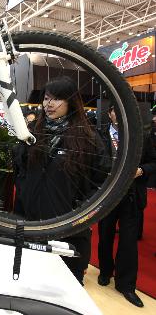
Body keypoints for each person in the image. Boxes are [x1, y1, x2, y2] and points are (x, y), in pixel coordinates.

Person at [13, 76, 110, 285]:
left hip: (69, 230)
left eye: (56, 99)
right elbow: (19, 169)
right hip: (31, 226)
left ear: (71, 102)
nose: (49, 104)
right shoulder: (33, 134)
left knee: (66, 289)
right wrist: (24, 194)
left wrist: (81, 211)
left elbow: (101, 181)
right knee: (30, 286)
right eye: (47, 98)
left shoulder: (89, 139)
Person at [97, 105, 156, 308]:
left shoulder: (140, 136)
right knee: (105, 235)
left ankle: (127, 285)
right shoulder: (100, 134)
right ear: (110, 113)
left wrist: (141, 170)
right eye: (114, 110)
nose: (118, 114)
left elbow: (153, 162)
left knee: (129, 242)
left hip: (131, 195)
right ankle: (105, 271)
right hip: (107, 195)